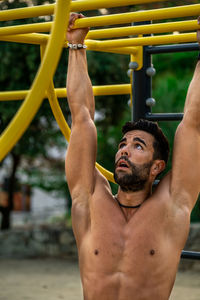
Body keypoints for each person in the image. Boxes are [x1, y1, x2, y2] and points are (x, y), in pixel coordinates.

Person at [65, 13, 200, 300]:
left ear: (157, 167)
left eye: (138, 146)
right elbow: (82, 118)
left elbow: (193, 123)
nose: (124, 149)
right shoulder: (89, 200)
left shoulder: (171, 207)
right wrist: (76, 47)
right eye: (123, 144)